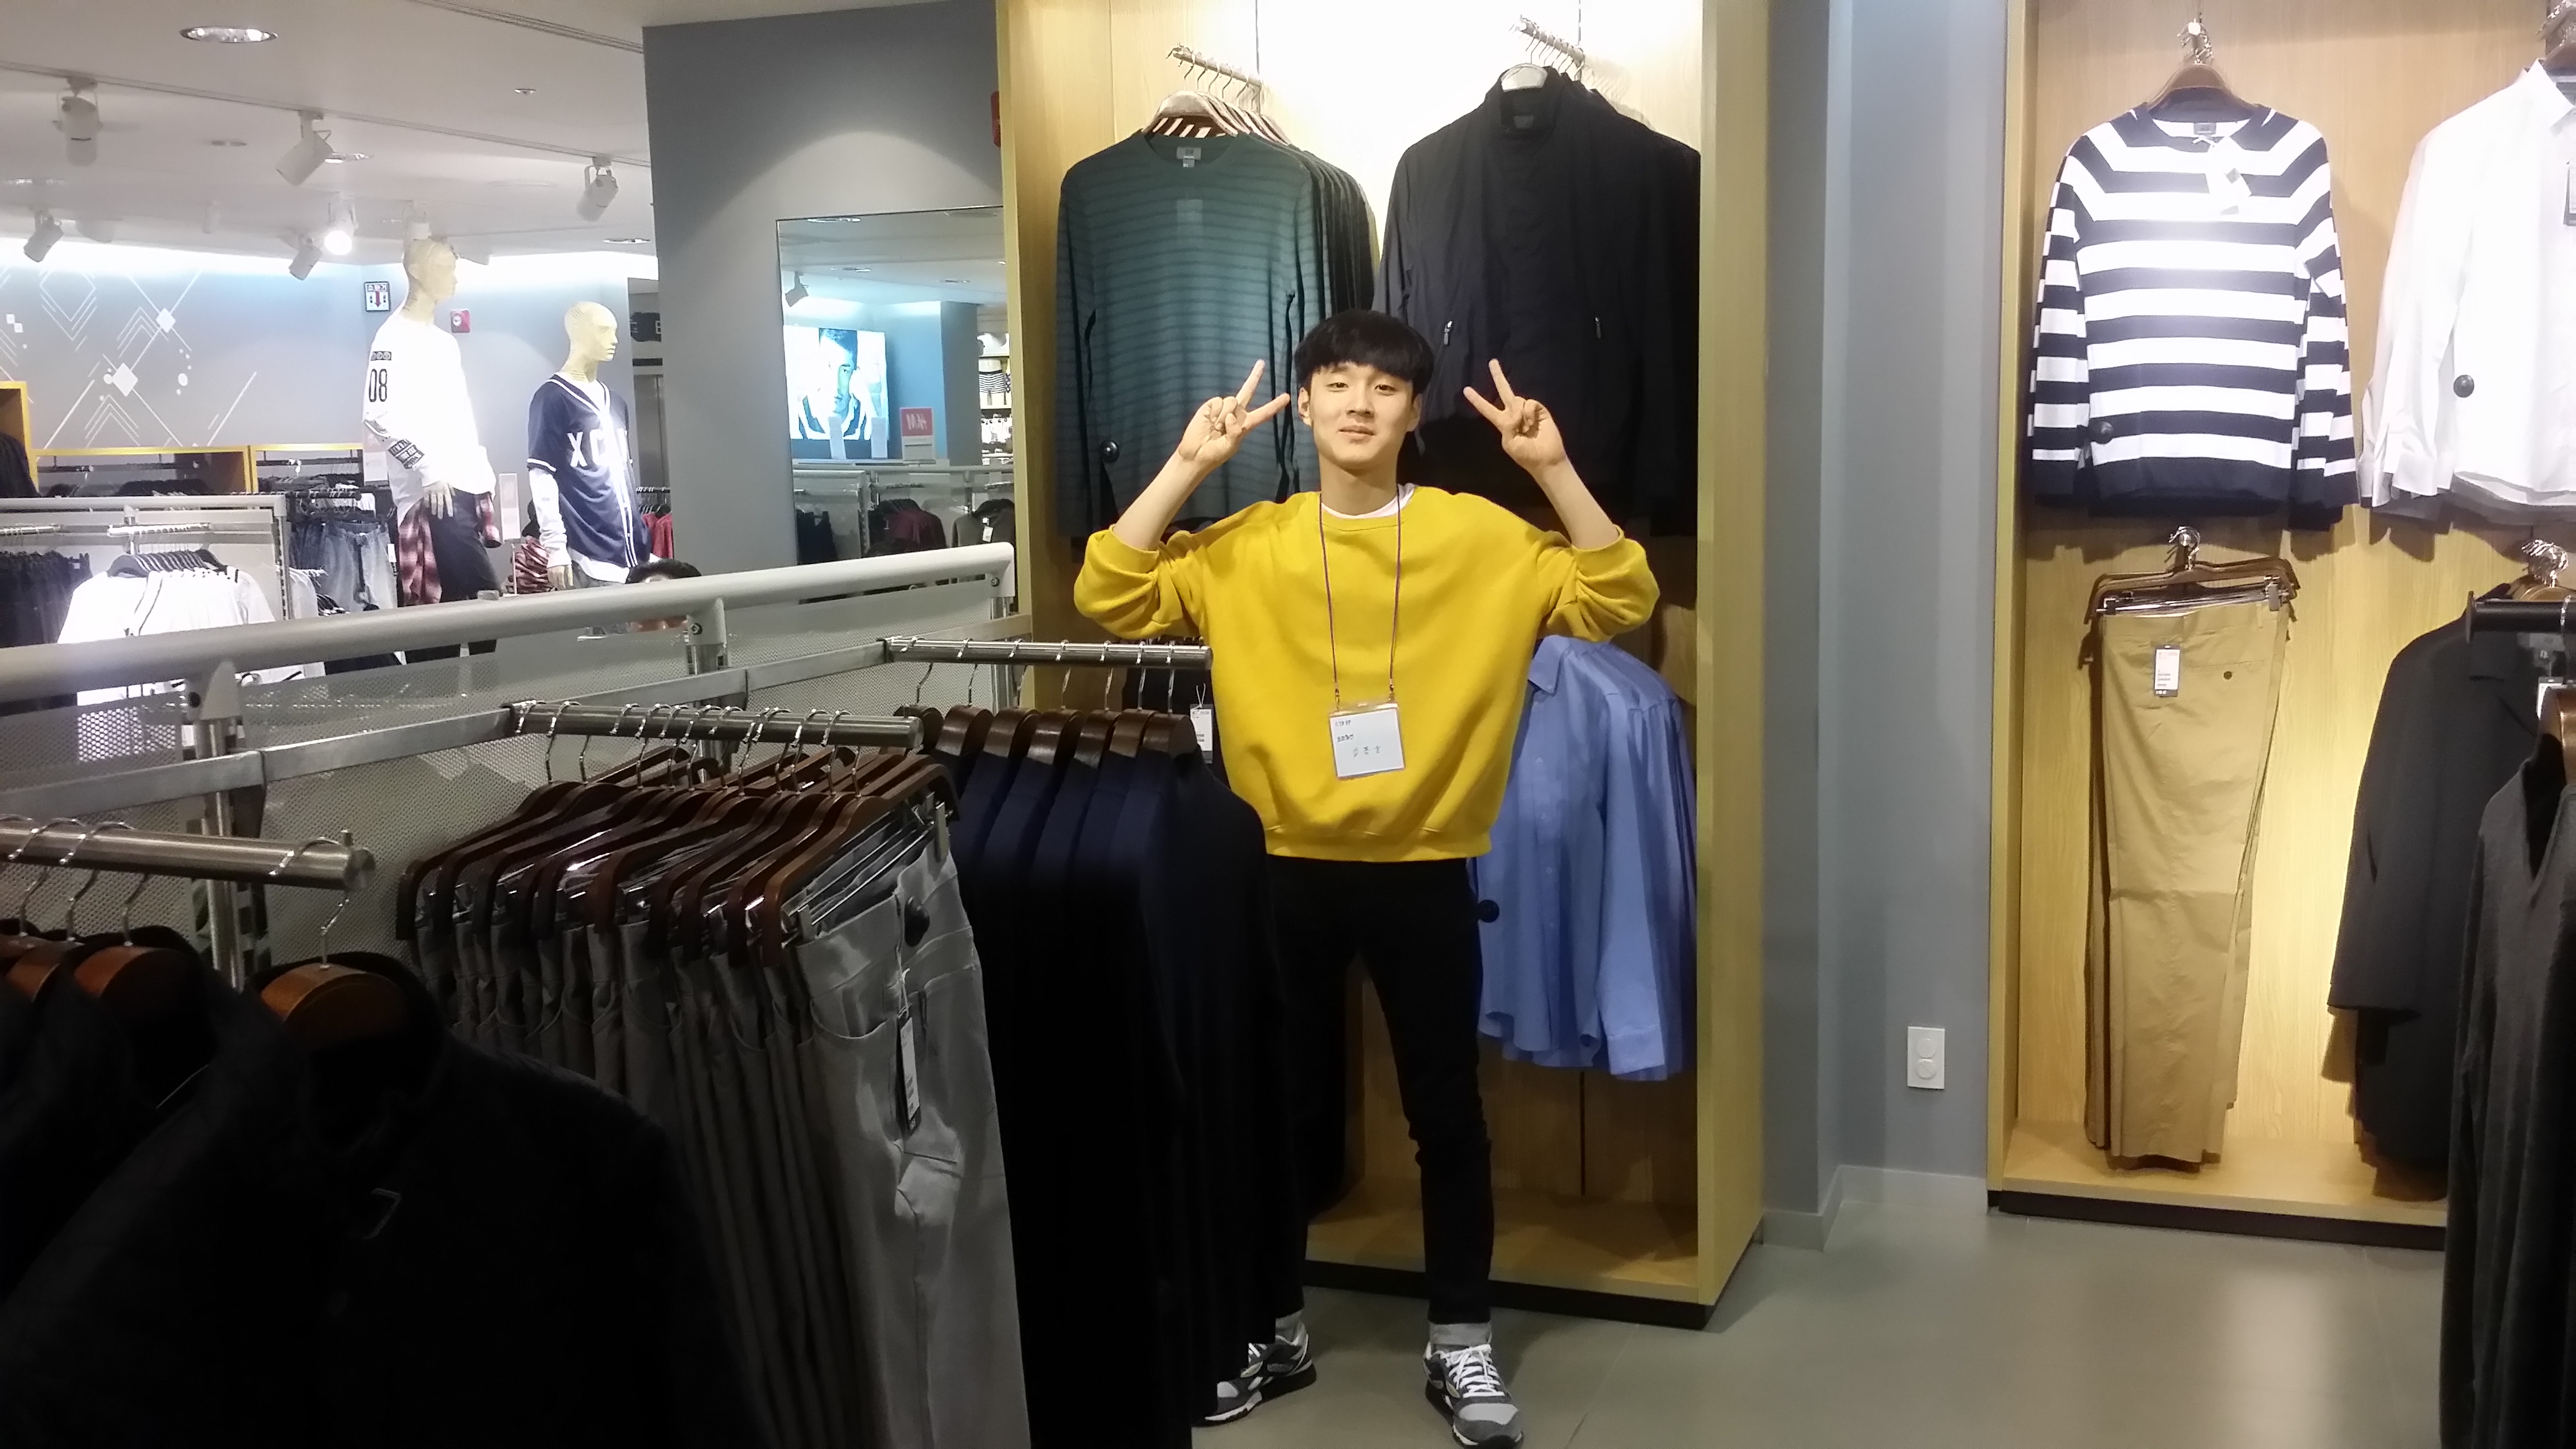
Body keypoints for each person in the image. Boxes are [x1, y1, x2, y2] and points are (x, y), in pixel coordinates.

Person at [1073, 311, 1657, 1448]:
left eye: (1384, 387)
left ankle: (1460, 1339)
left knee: (1447, 1114)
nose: (1358, 403)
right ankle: (1274, 1324)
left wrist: (1553, 469)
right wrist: (1187, 464)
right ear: (1302, 405)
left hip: (1425, 865)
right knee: (1275, 1111)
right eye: (1336, 383)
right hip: (1277, 868)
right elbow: (1112, 590)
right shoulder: (1246, 541)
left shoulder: (1480, 535)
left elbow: (1618, 596)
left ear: (1412, 410)